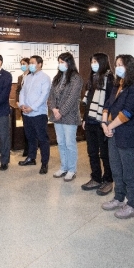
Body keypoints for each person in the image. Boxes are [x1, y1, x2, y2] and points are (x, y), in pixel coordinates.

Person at [101, 54, 134, 219]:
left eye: (121, 65)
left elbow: (127, 113)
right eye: (117, 64)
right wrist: (104, 123)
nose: (117, 68)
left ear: (130, 67)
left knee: (129, 172)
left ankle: (132, 205)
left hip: (127, 136)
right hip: (112, 133)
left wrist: (109, 126)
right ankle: (119, 198)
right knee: (116, 169)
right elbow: (107, 105)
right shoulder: (117, 85)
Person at [80, 53, 114, 195]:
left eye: (95, 61)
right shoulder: (92, 77)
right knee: (92, 152)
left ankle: (108, 180)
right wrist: (84, 119)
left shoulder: (110, 79)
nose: (93, 64)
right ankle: (96, 178)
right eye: (92, 62)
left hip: (102, 122)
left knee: (104, 154)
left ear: (103, 62)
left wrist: (105, 121)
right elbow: (88, 102)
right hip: (90, 121)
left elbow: (110, 102)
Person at [49, 52, 83, 181]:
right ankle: (63, 167)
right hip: (57, 115)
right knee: (61, 143)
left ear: (69, 62)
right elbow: (51, 95)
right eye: (59, 62)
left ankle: (72, 170)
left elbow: (72, 98)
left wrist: (61, 112)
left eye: (62, 62)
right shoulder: (57, 77)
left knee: (70, 143)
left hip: (70, 116)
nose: (60, 64)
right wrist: (54, 109)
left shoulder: (76, 78)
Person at [18, 55, 52, 174]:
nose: (30, 65)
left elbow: (44, 96)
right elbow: (22, 92)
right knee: (30, 137)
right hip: (27, 114)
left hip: (39, 114)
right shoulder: (27, 77)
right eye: (30, 63)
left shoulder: (45, 78)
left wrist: (32, 108)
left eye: (32, 63)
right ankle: (31, 158)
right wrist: (22, 105)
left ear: (39, 64)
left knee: (42, 139)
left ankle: (44, 163)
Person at [15, 57, 30, 157]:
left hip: (30, 106)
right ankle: (26, 148)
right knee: (25, 128)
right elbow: (18, 90)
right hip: (22, 106)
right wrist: (17, 101)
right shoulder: (20, 77)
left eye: (24, 64)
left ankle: (30, 149)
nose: (22, 66)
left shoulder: (32, 76)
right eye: (21, 64)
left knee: (30, 129)